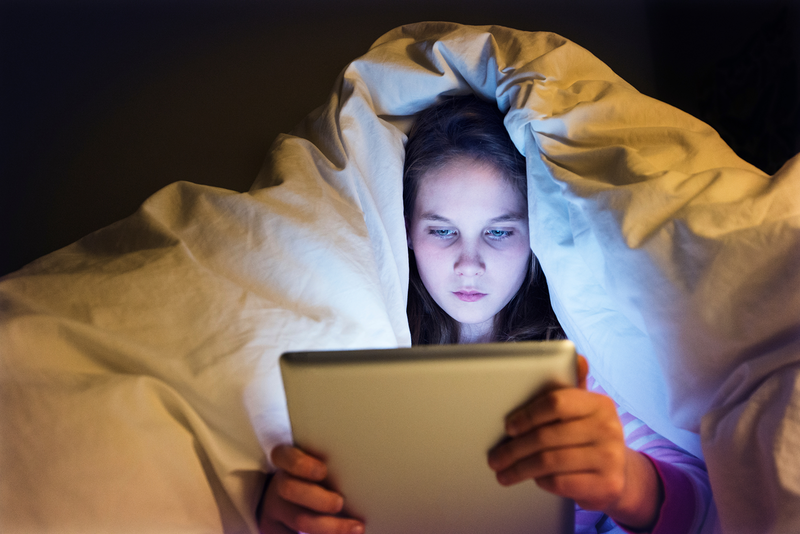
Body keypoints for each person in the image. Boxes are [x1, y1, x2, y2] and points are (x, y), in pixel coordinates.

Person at [258, 95, 712, 534]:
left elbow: (711, 501)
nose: (468, 264)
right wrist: (282, 515)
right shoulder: (366, 353)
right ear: (407, 232)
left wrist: (629, 484)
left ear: (536, 233)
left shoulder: (581, 369)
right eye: (442, 230)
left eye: (498, 231)